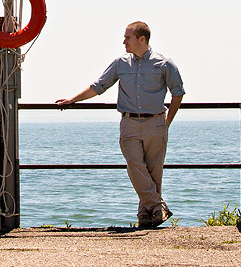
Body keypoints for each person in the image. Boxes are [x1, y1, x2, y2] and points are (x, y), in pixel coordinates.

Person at [57, 21, 185, 228]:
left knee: (154, 171)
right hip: (129, 123)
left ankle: (147, 218)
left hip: (156, 122)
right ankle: (158, 207)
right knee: (135, 166)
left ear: (141, 39)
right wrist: (73, 100)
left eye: (128, 37)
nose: (123, 41)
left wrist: (166, 122)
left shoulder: (165, 64)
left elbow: (177, 93)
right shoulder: (120, 63)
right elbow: (99, 86)